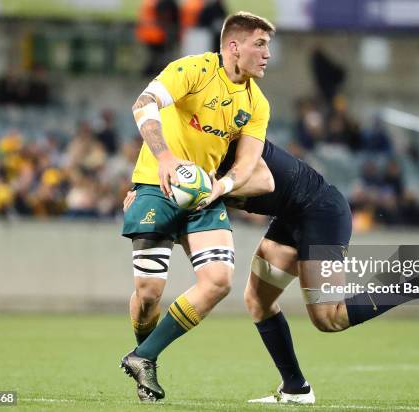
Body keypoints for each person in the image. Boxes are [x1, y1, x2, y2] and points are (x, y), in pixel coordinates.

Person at [124, 138, 419, 404]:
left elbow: (265, 181)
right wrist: (144, 195)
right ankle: (296, 388)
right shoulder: (200, 152)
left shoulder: (234, 148)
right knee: (257, 299)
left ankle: (418, 283)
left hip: (322, 214)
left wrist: (218, 188)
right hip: (292, 218)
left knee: (328, 318)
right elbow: (176, 180)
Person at [120, 12, 276, 402]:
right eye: (260, 44)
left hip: (204, 195)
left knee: (220, 281)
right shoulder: (194, 69)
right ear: (233, 47)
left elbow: (247, 164)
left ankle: (144, 356)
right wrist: (166, 158)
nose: (267, 54)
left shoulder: (257, 103)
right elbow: (143, 104)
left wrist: (220, 186)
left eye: (268, 45)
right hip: (156, 184)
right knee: (149, 293)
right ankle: (146, 361)